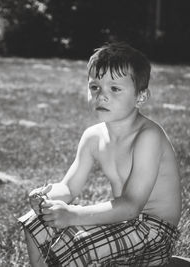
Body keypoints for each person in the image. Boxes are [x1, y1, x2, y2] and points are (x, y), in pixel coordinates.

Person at [18, 42, 181, 267]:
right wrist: (46, 199)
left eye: (115, 89)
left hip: (153, 230)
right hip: (122, 220)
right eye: (95, 87)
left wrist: (73, 215)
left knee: (77, 244)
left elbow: (132, 205)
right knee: (35, 222)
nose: (102, 96)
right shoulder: (92, 137)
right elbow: (69, 187)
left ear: (140, 97)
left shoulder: (148, 136)